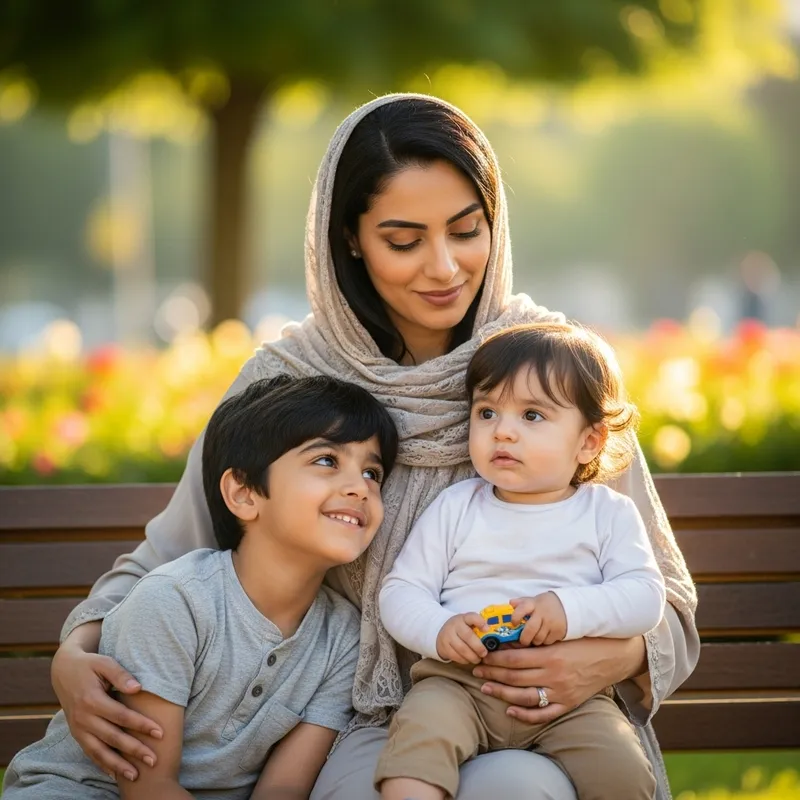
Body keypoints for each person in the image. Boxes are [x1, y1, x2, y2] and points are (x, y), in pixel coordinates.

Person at [48, 94, 698, 800]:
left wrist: (603, 658)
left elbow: (667, 604)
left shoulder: (549, 371)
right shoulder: (287, 383)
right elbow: (172, 558)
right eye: (403, 239)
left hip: (543, 714)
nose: (445, 267)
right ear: (351, 239)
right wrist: (73, 653)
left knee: (517, 785)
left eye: (466, 230)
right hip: (347, 724)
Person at [3, 375, 399, 800]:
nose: (360, 487)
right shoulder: (176, 602)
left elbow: (282, 791)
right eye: (326, 461)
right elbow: (149, 787)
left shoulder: (342, 640)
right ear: (244, 494)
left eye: (372, 471)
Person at [376, 322, 667, 800]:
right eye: (487, 412)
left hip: (571, 701)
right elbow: (402, 590)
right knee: (417, 746)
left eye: (532, 416)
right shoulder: (457, 506)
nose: (503, 432)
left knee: (624, 772)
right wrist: (439, 631)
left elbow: (644, 598)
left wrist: (566, 610)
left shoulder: (606, 513)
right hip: (460, 684)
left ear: (589, 442)